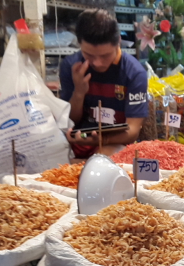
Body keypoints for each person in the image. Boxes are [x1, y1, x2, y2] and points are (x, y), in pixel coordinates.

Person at [59, 9, 148, 159]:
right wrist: (79, 92)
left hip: (115, 145)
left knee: (101, 163)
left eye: (105, 55)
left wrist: (102, 140)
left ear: (118, 42)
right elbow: (70, 121)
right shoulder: (71, 66)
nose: (98, 63)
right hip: (77, 145)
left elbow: (132, 131)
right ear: (79, 43)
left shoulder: (134, 73)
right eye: (89, 55)